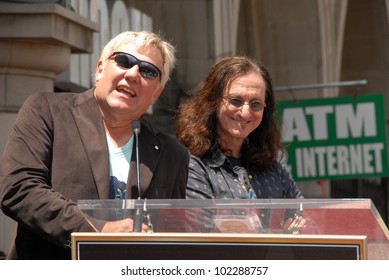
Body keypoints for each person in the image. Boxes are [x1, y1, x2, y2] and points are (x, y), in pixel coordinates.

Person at [0, 31, 189, 259]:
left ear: (156, 94)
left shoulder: (172, 154)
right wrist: (96, 229)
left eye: (148, 71)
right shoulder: (47, 110)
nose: (133, 74)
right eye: (124, 61)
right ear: (100, 69)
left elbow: (172, 233)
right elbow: (19, 189)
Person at [176, 56, 303, 231]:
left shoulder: (272, 168)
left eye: (255, 104)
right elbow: (204, 232)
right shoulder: (190, 165)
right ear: (213, 100)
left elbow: (306, 219)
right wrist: (279, 234)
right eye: (235, 101)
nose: (245, 112)